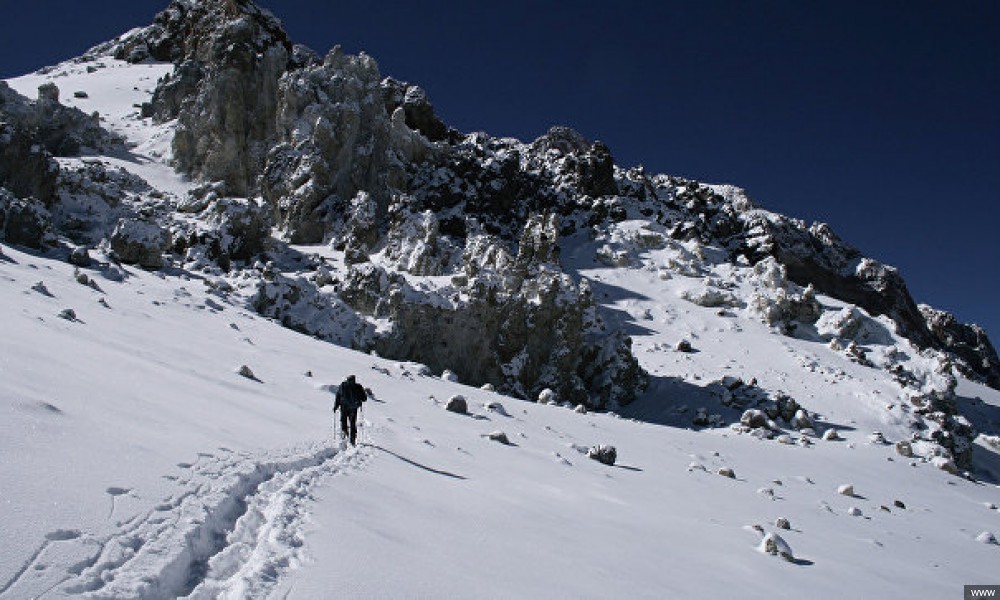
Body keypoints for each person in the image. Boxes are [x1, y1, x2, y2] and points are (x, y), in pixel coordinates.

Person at [334, 374, 366, 445]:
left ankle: (344, 436)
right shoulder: (358, 387)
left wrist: (336, 406)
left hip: (344, 407)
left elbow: (338, 396)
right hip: (353, 408)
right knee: (352, 423)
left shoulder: (343, 385)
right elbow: (364, 398)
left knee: (343, 421)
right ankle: (352, 440)